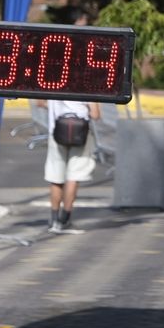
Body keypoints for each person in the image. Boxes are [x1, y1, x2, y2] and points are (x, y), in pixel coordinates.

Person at [40, 96, 102, 234]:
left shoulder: (52, 82)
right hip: (81, 134)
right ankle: (65, 219)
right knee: (73, 177)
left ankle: (54, 219)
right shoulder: (86, 85)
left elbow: (40, 103)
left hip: (56, 131)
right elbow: (96, 114)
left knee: (56, 177)